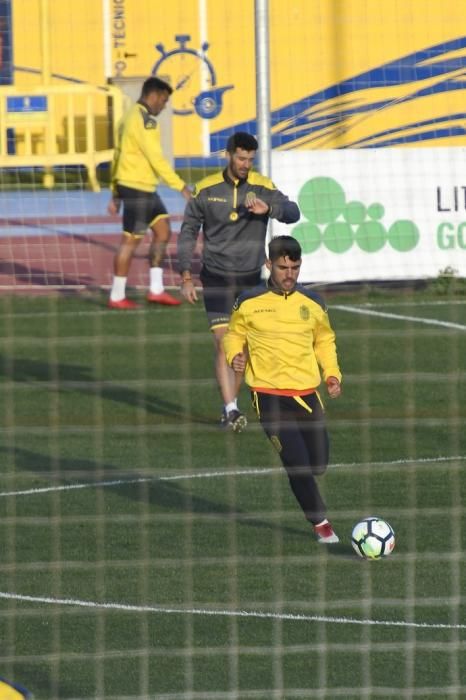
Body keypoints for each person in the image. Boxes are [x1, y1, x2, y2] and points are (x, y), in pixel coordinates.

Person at [223, 235, 342, 544]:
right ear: (268, 265)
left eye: (295, 267)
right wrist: (234, 355)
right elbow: (234, 334)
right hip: (269, 396)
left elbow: (324, 341)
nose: (289, 274)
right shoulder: (248, 301)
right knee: (297, 463)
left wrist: (332, 375)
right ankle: (321, 524)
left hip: (307, 395)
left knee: (318, 463)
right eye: (282, 267)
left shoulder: (313, 303)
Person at [178, 131, 300, 431]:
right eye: (241, 158)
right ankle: (231, 409)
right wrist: (185, 276)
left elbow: (293, 212)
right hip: (216, 276)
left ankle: (239, 404)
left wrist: (269, 208)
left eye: (250, 159)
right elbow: (187, 232)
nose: (245, 164)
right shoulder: (205, 189)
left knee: (243, 349)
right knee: (223, 343)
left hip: (250, 279)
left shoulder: (262, 187)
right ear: (229, 155)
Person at [108, 76, 192, 309]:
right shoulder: (145, 121)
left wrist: (115, 192)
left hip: (141, 186)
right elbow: (157, 159)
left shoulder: (127, 117)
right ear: (152, 95)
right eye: (163, 101)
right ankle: (116, 295)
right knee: (130, 241)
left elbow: (118, 155)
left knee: (163, 231)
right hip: (137, 188)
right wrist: (181, 187)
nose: (164, 106)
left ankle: (156, 290)